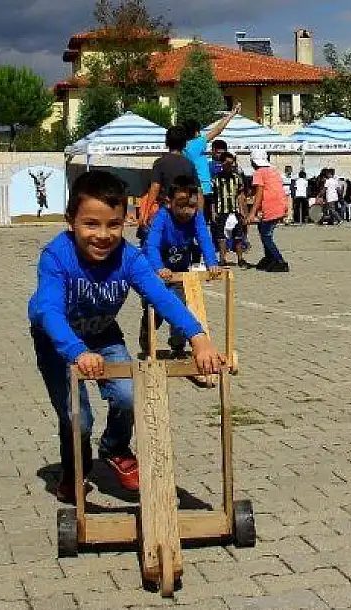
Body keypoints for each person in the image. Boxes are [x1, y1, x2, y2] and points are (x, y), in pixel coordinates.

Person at [29, 171, 227, 502]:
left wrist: (198, 338)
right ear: (70, 221)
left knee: (126, 395)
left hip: (104, 333)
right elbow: (48, 311)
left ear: (126, 222)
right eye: (91, 224)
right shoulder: (56, 257)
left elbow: (161, 297)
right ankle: (73, 472)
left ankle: (116, 448)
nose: (103, 235)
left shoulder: (130, 258)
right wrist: (77, 352)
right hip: (58, 343)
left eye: (114, 225)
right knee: (77, 418)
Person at [141, 176, 220, 357]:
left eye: (192, 206)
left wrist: (212, 263)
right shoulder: (162, 217)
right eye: (182, 205)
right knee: (155, 313)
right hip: (154, 272)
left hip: (179, 271)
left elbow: (204, 239)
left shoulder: (196, 218)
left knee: (181, 308)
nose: (187, 211)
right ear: (169, 203)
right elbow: (152, 245)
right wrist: (159, 268)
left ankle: (178, 347)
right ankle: (147, 346)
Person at [141, 126, 196, 241]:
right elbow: (197, 191)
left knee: (162, 243)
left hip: (166, 209)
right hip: (184, 211)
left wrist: (146, 212)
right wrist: (198, 214)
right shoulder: (189, 164)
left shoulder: (160, 163)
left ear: (167, 142)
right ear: (185, 144)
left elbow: (155, 187)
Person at [181, 102, 242, 206]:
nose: (200, 133)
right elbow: (218, 130)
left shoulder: (183, 147)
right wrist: (232, 113)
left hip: (190, 188)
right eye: (198, 130)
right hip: (203, 188)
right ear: (195, 132)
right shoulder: (197, 143)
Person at [248, 150, 291, 272]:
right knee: (263, 231)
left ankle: (279, 260)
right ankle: (269, 258)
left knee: (266, 236)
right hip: (280, 205)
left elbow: (259, 193)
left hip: (271, 208)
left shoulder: (258, 173)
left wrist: (252, 212)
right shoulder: (274, 171)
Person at [211, 151, 247, 265]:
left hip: (235, 210)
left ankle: (240, 259)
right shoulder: (215, 179)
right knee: (221, 236)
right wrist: (213, 212)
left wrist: (243, 212)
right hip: (221, 211)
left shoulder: (237, 178)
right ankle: (222, 259)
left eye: (232, 163)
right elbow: (213, 197)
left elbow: (241, 196)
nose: (230, 166)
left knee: (238, 236)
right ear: (221, 164)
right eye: (227, 163)